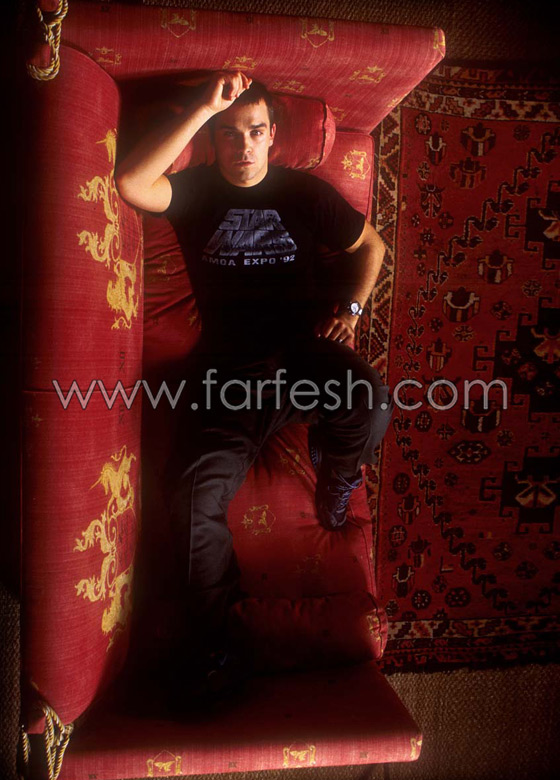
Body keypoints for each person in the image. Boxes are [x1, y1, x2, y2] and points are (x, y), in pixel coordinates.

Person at [116, 71, 393, 703]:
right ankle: (219, 640)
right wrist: (202, 108)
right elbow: (131, 183)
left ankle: (337, 469)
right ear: (214, 140)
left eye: (256, 132)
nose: (244, 146)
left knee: (370, 401)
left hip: (302, 356)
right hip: (226, 374)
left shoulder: (306, 193)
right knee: (189, 496)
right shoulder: (194, 191)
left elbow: (371, 247)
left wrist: (351, 312)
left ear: (273, 137)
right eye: (230, 133)